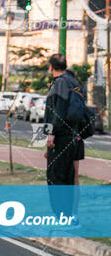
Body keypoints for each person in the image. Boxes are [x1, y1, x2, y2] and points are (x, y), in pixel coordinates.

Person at [44, 54, 83, 218]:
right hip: (74, 136)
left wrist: (50, 134)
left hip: (60, 137)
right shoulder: (74, 81)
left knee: (55, 176)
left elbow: (57, 111)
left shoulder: (59, 83)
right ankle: (71, 215)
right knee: (69, 177)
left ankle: (61, 215)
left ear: (51, 67)